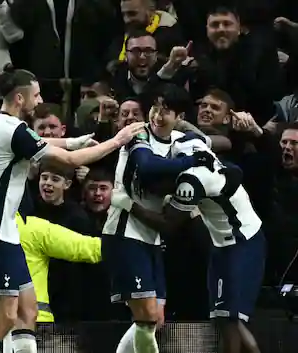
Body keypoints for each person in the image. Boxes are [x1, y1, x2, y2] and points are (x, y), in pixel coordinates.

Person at [0, 64, 144, 353]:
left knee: (28, 311)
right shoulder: (11, 130)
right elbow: (70, 162)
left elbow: (37, 142)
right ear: (20, 99)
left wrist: (73, 140)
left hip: (5, 232)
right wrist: (118, 140)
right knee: (3, 318)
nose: (38, 101)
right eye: (35, 96)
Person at [111, 132, 264, 353]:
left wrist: (127, 203)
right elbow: (221, 141)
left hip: (242, 243)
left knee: (232, 320)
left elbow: (167, 225)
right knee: (222, 320)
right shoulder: (194, 150)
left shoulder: (192, 181)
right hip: (222, 244)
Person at [102, 84, 218, 353]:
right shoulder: (137, 133)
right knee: (145, 318)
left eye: (166, 110)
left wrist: (199, 155)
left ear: (179, 117)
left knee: (155, 319)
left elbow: (210, 152)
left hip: (152, 237)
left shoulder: (181, 141)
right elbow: (148, 167)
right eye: (155, 108)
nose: (157, 115)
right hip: (124, 233)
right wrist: (190, 163)